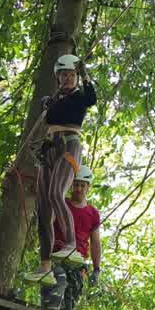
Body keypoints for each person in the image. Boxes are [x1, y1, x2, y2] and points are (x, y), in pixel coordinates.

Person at [25, 54, 96, 287]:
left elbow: (92, 98)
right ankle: (45, 267)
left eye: (71, 74)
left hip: (69, 145)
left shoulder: (80, 97)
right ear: (57, 77)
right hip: (50, 148)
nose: (68, 78)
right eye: (64, 74)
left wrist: (84, 74)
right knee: (44, 209)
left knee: (57, 193)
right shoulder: (52, 100)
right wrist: (48, 103)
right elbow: (48, 118)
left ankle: (71, 245)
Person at [41, 165, 102, 310]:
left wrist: (96, 269)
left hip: (77, 262)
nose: (79, 189)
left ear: (88, 187)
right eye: (76, 185)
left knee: (69, 303)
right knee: (58, 284)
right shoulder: (61, 204)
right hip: (56, 256)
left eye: (82, 185)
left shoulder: (92, 213)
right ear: (70, 185)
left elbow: (95, 242)